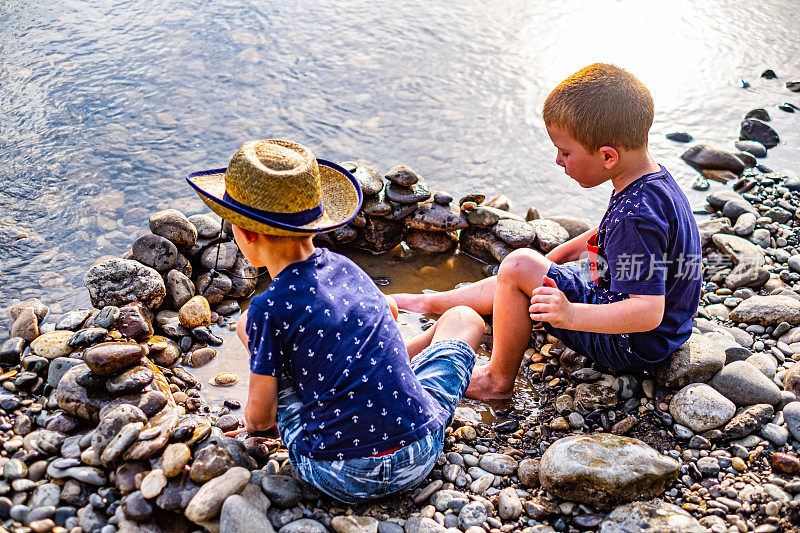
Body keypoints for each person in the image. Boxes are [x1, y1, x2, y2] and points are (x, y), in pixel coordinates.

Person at [186, 139, 485, 503]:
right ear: (315, 223)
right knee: (464, 318)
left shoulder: (267, 309)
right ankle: (393, 370)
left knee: (247, 325)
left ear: (247, 234)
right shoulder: (347, 267)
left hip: (337, 472)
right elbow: (388, 315)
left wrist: (252, 425)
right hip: (420, 453)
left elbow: (262, 419)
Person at [393, 63, 702, 400]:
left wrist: (570, 314)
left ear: (608, 156)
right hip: (658, 327)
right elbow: (607, 231)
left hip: (632, 342)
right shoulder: (649, 181)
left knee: (518, 266)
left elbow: (647, 310)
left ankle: (496, 380)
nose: (558, 160)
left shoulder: (637, 218)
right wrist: (558, 257)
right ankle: (432, 302)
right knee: (529, 268)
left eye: (565, 152)